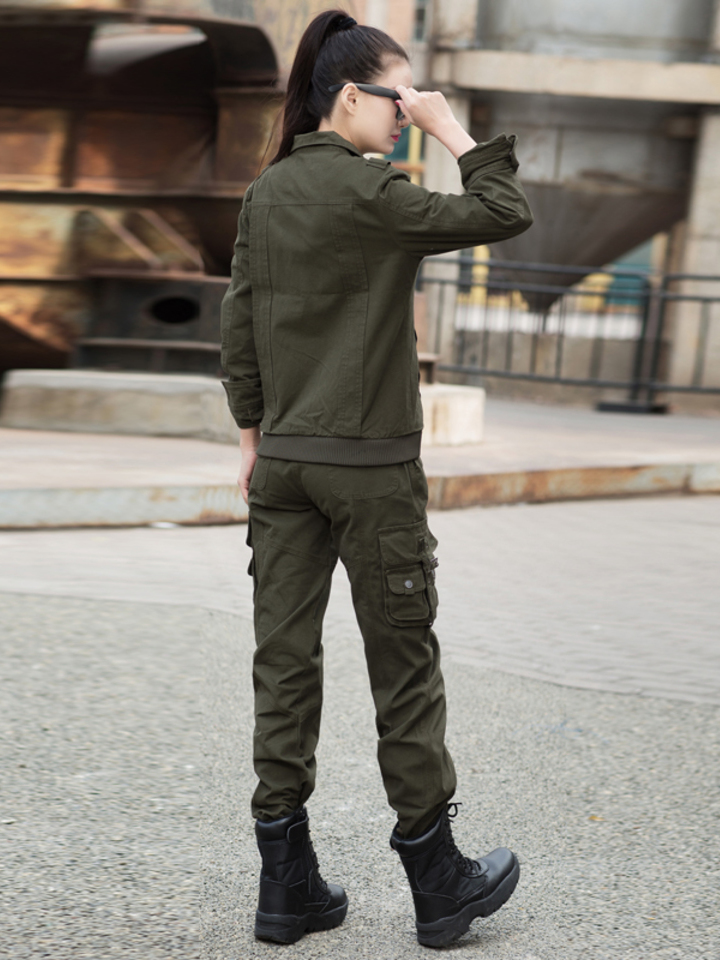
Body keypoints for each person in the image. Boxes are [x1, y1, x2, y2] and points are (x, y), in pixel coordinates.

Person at [220, 8, 533, 949]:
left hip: (283, 468)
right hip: (371, 469)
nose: (408, 111)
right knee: (403, 668)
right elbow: (504, 211)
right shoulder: (375, 193)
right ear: (349, 95)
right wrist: (453, 129)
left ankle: (287, 889)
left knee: (283, 665)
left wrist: (251, 440)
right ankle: (438, 882)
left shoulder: (268, 193)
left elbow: (239, 323)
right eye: (399, 97)